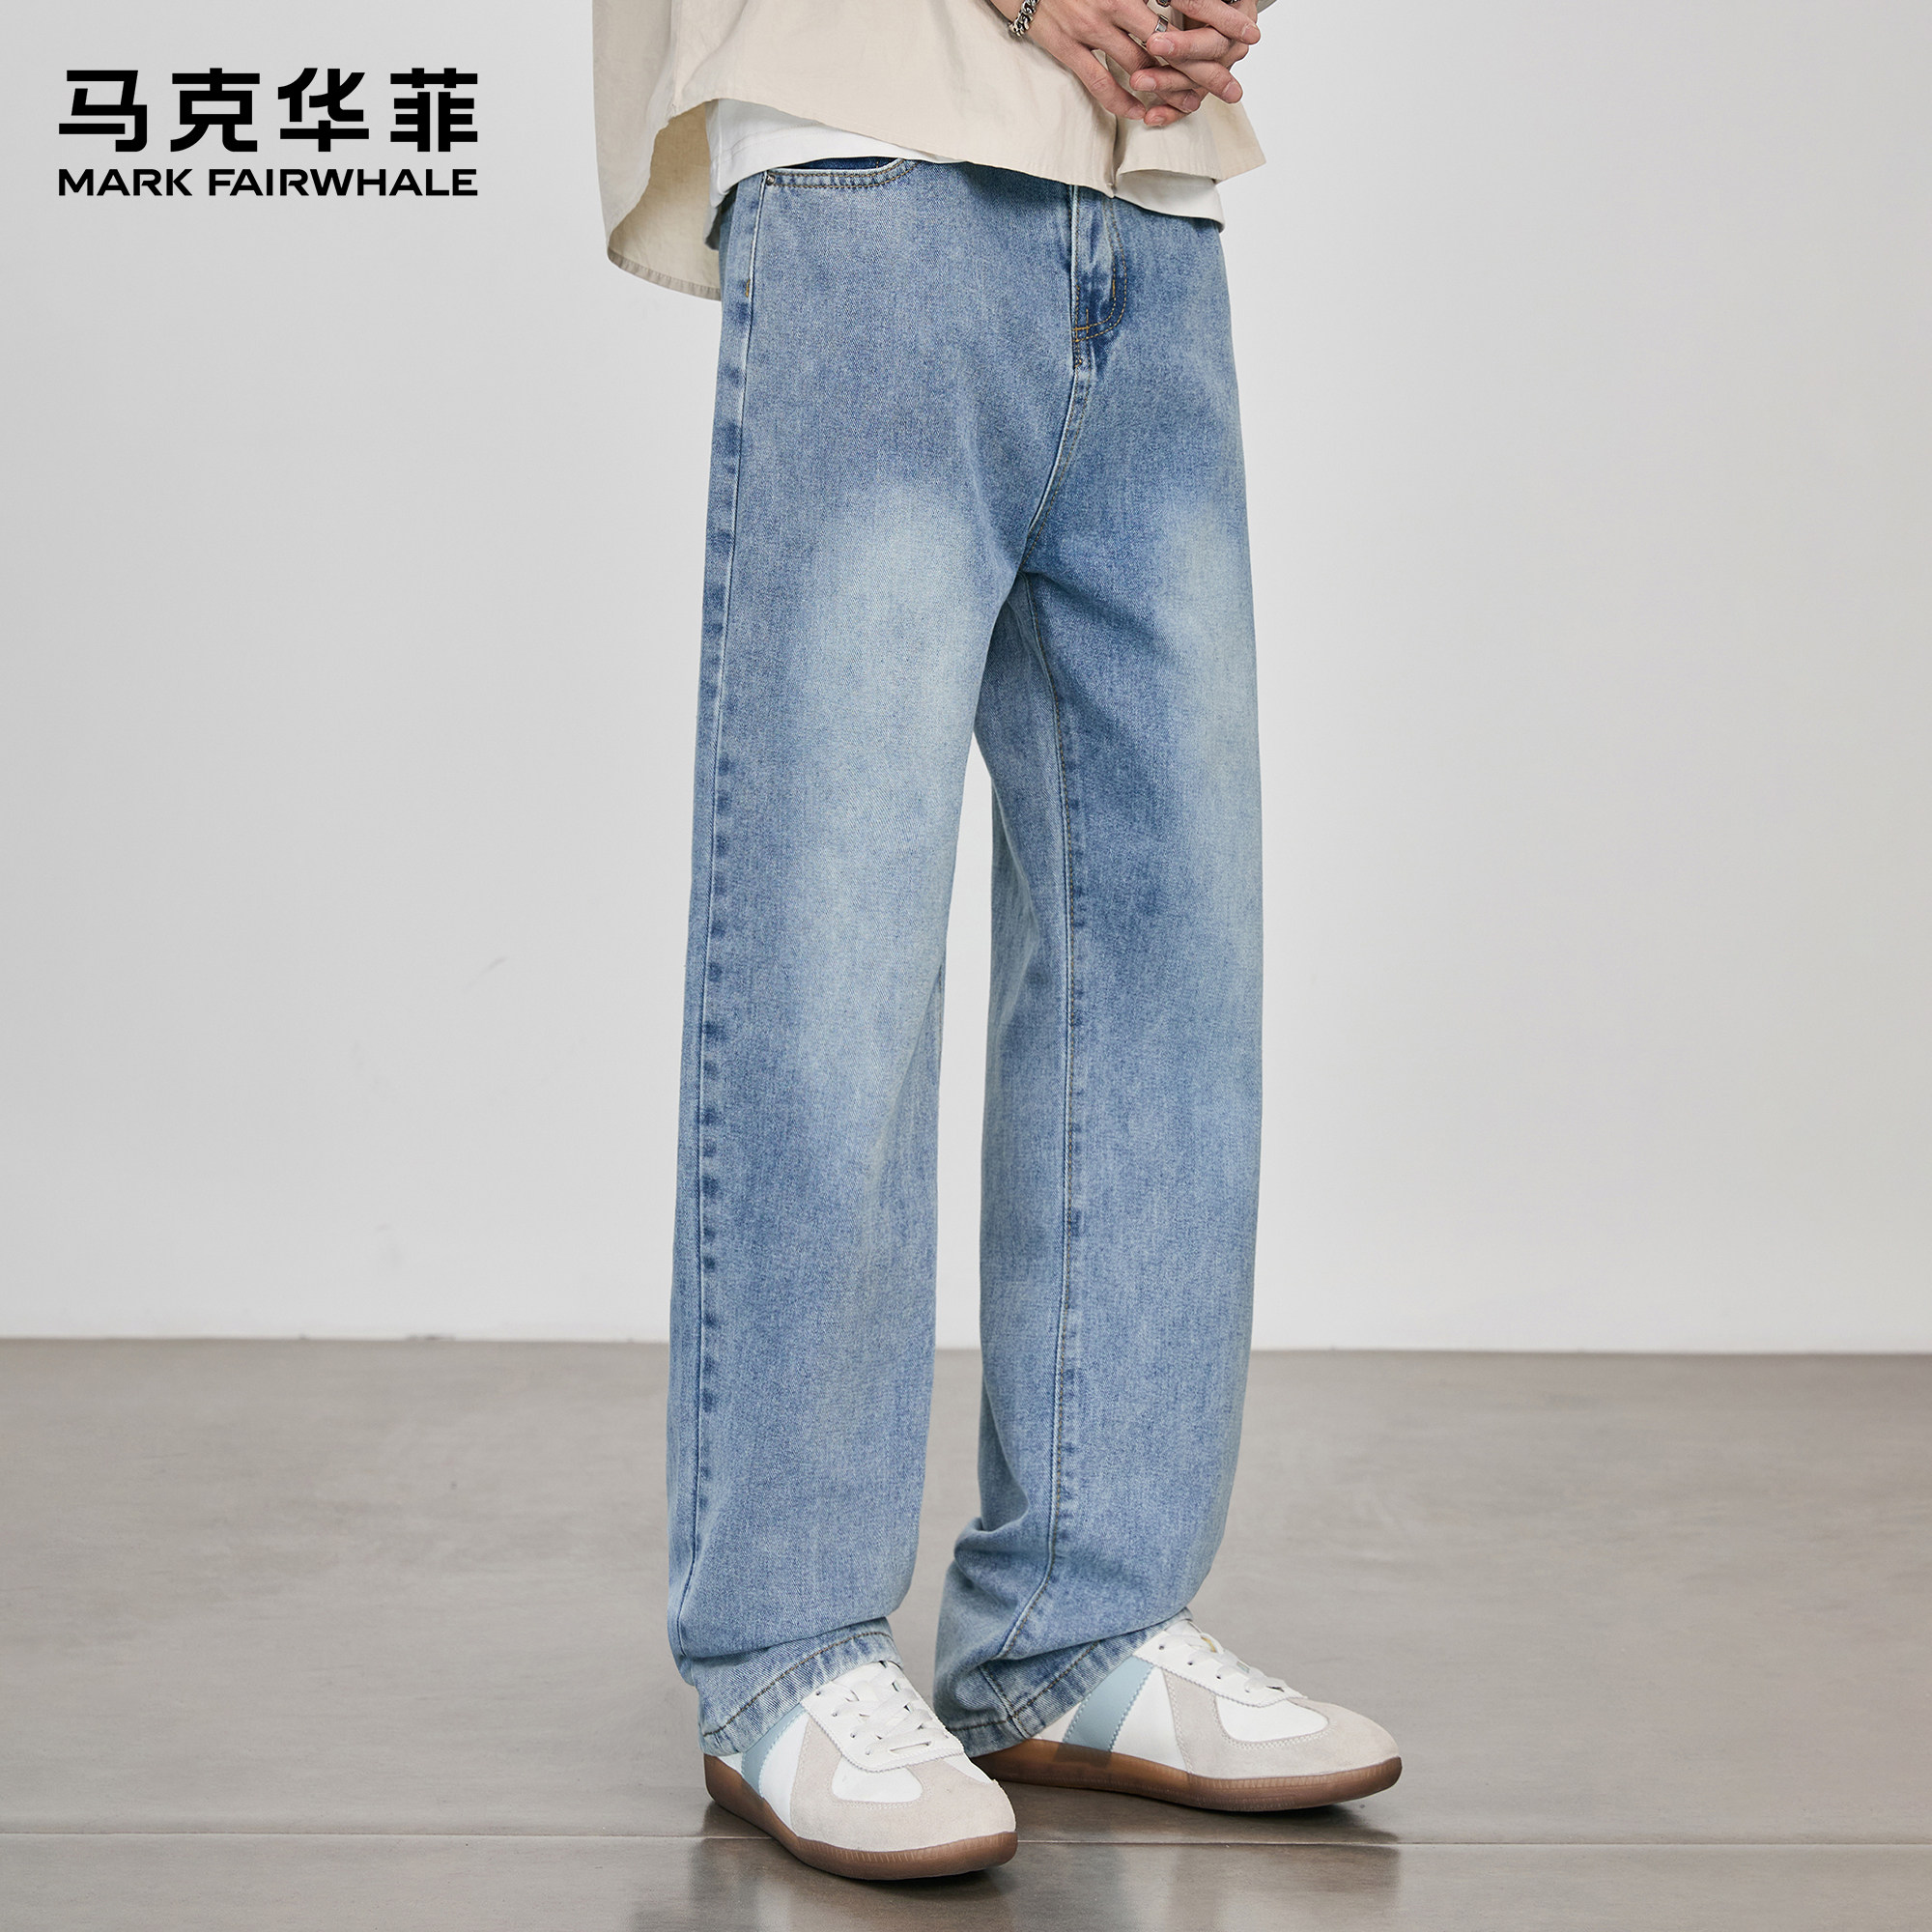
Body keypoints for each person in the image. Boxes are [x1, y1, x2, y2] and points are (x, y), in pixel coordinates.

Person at [592, 0, 1401, 1882]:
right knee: (834, 951)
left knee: (1169, 939)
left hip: (1148, 196)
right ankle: (784, 1645)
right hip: (870, 154)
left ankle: (1081, 1621)